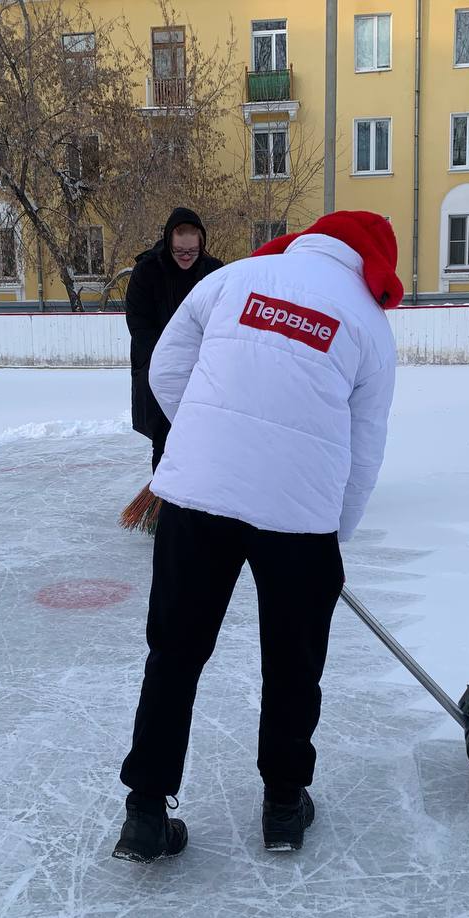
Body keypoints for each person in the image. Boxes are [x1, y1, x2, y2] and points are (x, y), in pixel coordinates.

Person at [112, 211, 402, 863]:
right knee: (293, 662)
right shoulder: (370, 324)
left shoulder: (237, 278)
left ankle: (145, 814)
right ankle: (282, 807)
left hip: (195, 494)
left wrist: (212, 436)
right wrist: (335, 535)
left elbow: (164, 369)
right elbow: (366, 449)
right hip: (298, 512)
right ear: (370, 262)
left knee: (175, 653)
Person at [125, 207, 224, 474]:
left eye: (192, 251)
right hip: (160, 375)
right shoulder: (147, 272)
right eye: (179, 250)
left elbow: (223, 321)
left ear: (201, 243)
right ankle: (163, 507)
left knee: (204, 442)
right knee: (165, 442)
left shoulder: (215, 272)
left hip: (202, 374)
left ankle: (198, 508)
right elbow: (139, 324)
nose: (186, 257)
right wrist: (170, 360)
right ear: (169, 241)